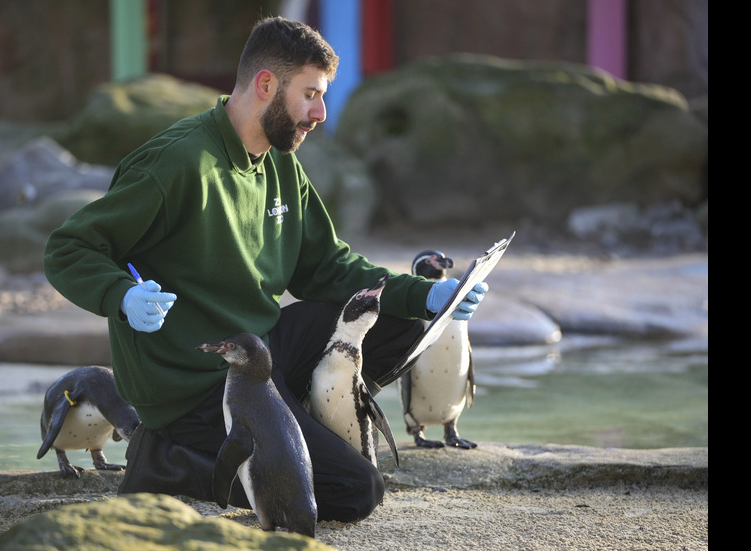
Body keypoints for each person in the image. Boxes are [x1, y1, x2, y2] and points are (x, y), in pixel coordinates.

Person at [44, 15, 488, 523]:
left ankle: (294, 422)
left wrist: (430, 296)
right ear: (265, 85)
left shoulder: (279, 162)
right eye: (311, 94)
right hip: (196, 386)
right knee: (355, 491)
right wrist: (120, 295)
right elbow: (68, 247)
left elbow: (327, 268)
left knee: (402, 324)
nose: (321, 112)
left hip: (258, 354)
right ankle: (171, 461)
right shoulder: (175, 163)